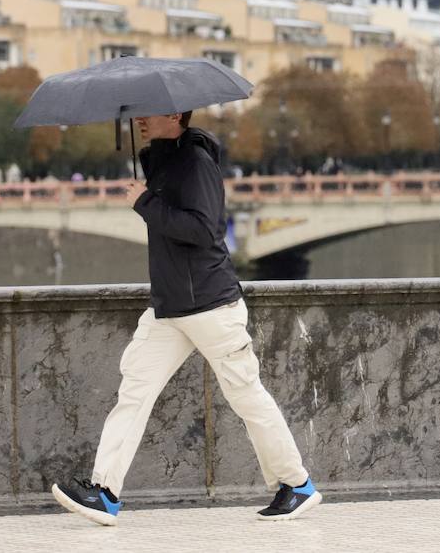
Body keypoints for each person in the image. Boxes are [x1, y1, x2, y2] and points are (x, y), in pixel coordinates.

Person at [52, 110, 319, 527]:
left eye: (148, 111)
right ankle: (104, 493)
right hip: (170, 309)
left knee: (246, 395)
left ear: (174, 114)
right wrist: (150, 187)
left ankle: (297, 484)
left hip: (211, 304)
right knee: (134, 392)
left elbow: (203, 229)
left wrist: (144, 202)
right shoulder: (165, 160)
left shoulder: (196, 164)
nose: (139, 117)